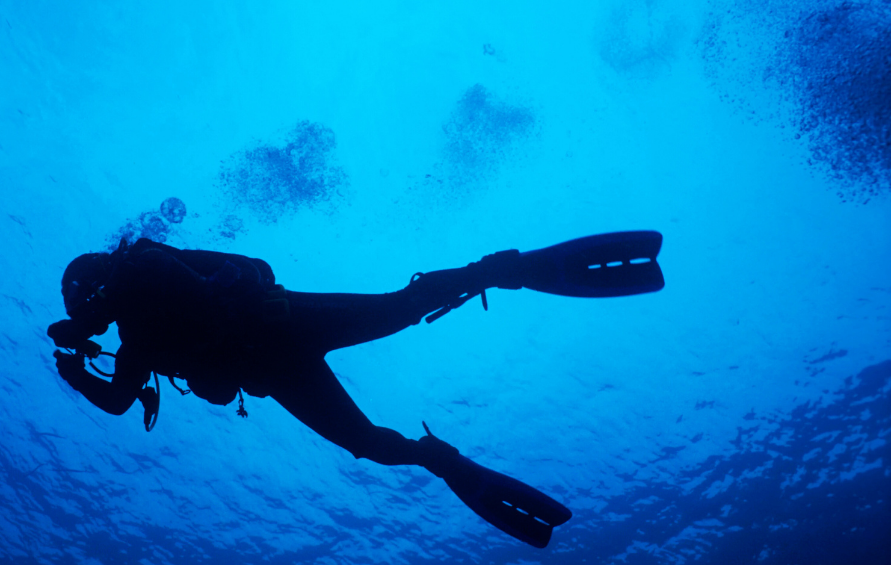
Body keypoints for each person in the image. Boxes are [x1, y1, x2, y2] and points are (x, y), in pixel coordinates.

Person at [48, 231, 664, 548]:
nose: (88, 318)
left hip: (281, 325)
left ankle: (505, 270)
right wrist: (78, 369)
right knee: (364, 439)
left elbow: (190, 305)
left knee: (400, 309)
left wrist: (86, 357)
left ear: (93, 287)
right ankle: (443, 461)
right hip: (278, 368)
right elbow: (120, 399)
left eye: (83, 305)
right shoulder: (136, 335)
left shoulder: (141, 270)